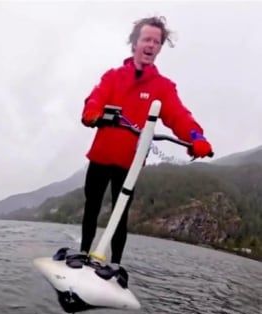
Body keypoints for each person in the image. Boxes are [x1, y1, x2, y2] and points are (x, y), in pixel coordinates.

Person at [79, 16, 213, 265]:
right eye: (146, 39)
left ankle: (115, 266)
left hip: (129, 163)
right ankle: (83, 254)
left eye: (156, 42)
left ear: (160, 47)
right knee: (92, 206)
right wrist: (92, 113)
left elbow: (179, 116)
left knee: (120, 214)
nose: (151, 45)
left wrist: (197, 137)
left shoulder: (163, 87)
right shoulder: (112, 77)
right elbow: (94, 99)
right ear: (135, 43)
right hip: (100, 156)